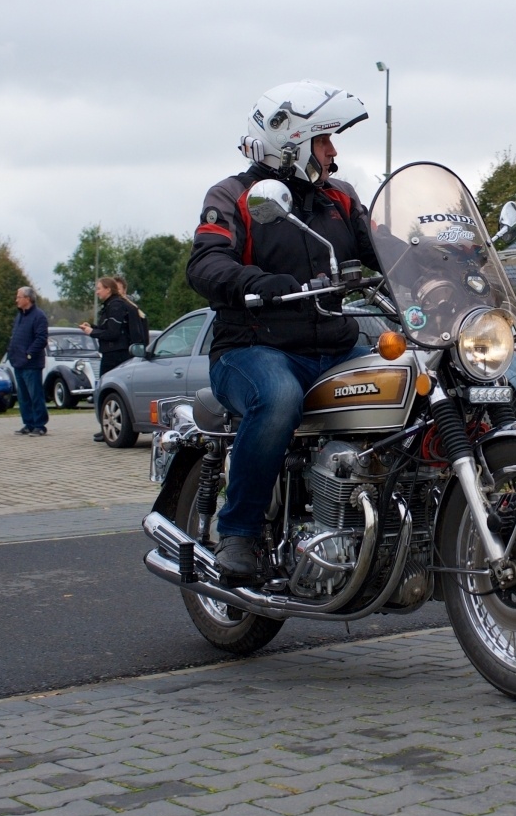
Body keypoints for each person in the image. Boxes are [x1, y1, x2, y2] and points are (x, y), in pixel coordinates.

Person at [187, 80, 380, 584]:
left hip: (332, 346)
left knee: (410, 379)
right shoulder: (233, 196)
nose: (333, 151)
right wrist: (257, 281)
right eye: (324, 140)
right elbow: (206, 264)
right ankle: (240, 532)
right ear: (291, 143)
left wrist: (444, 259)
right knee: (276, 399)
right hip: (251, 348)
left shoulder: (339, 199)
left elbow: (386, 250)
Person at [79, 275, 145, 442]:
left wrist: (91, 333)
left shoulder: (116, 306)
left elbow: (113, 333)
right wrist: (93, 327)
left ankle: (111, 426)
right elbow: (107, 328)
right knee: (108, 392)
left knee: (108, 391)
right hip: (114, 353)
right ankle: (107, 427)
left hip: (115, 355)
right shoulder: (112, 305)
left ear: (108, 289)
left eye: (99, 288)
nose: (97, 292)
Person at [8, 286, 49, 436]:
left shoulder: (39, 316)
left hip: (31, 364)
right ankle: (28, 423)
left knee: (35, 394)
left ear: (28, 299)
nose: (16, 300)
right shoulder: (19, 316)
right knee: (23, 396)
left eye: (19, 297)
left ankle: (40, 425)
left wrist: (29, 354)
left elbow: (41, 338)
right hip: (18, 362)